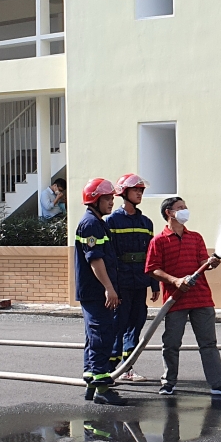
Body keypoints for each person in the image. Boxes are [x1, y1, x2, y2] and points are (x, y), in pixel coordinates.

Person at [146, 197, 221, 398]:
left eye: (185, 207)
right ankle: (168, 383)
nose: (185, 210)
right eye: (180, 208)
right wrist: (175, 281)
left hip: (201, 298)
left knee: (208, 343)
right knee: (171, 343)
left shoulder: (195, 238)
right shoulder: (158, 241)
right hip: (175, 300)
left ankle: (218, 384)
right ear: (169, 212)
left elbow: (203, 262)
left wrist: (211, 263)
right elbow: (152, 269)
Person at [75, 178, 126, 405]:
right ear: (94, 200)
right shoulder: (91, 225)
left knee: (94, 335)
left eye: (112, 198)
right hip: (96, 292)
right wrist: (109, 288)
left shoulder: (98, 222)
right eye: (107, 199)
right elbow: (95, 260)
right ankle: (102, 388)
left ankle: (91, 382)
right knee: (101, 336)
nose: (111, 203)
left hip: (95, 291)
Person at [106, 173, 159, 382]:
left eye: (141, 190)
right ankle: (109, 368)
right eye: (136, 190)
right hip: (121, 283)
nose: (140, 193)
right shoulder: (112, 221)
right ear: (123, 193)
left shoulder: (146, 222)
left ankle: (128, 368)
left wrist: (154, 283)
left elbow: (151, 256)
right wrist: (111, 287)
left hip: (140, 281)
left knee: (136, 324)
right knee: (118, 324)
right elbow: (109, 257)